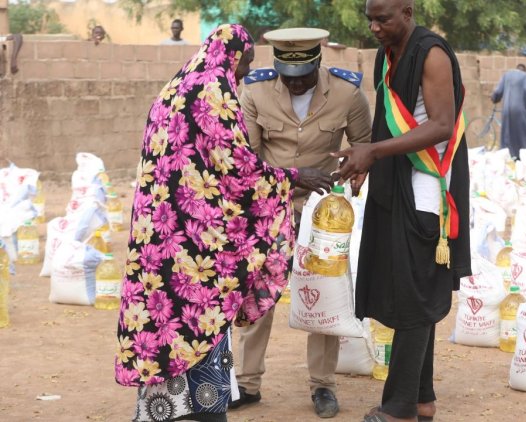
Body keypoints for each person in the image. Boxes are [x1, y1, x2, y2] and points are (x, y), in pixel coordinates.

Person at [114, 24, 334, 422]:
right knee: (198, 328)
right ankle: (202, 411)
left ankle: (165, 411)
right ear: (231, 56)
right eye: (246, 62)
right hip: (192, 249)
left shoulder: (173, 89)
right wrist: (294, 178)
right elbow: (237, 169)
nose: (247, 72)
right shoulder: (212, 91)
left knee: (164, 329)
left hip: (157, 243)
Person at [332, 0, 471, 420]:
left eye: (383, 19)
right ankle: (422, 398)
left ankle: (400, 407)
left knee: (414, 294)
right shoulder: (386, 54)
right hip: (395, 185)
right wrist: (367, 164)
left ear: (407, 13)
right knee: (408, 289)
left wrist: (372, 152)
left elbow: (441, 124)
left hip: (428, 189)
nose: (374, 27)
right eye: (370, 19)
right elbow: (390, 121)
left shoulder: (432, 54)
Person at [230, 27, 372, 419]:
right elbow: (247, 160)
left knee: (323, 298)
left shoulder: (347, 94)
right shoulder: (256, 92)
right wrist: (290, 179)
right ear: (276, 68)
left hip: (323, 214)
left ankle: (323, 386)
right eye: (286, 77)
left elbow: (364, 149)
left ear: (318, 64)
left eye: (303, 77)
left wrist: (349, 179)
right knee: (258, 298)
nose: (294, 84)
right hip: (269, 210)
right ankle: (247, 382)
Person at [490, 63, 526, 159]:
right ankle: (522, 158)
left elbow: (498, 91)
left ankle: (508, 158)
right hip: (520, 110)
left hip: (506, 110)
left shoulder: (506, 75)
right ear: (524, 70)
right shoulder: (525, 76)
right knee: (522, 134)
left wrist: (494, 98)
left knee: (507, 134)